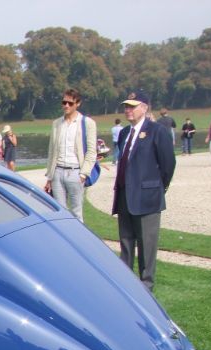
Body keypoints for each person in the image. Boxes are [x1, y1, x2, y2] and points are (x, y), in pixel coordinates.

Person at [111, 90, 176, 292]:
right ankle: (126, 287)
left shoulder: (157, 131)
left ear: (145, 108)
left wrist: (156, 189)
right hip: (124, 197)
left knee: (147, 247)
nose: (128, 110)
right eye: (126, 106)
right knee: (126, 243)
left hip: (147, 198)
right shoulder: (123, 133)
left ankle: (145, 288)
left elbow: (168, 165)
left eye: (132, 106)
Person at [44, 88, 97, 222]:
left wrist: (83, 174)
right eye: (64, 102)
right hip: (58, 171)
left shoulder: (87, 123)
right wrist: (50, 176)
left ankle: (79, 241)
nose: (66, 106)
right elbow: (52, 151)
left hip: (75, 172)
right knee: (60, 212)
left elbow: (91, 151)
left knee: (76, 212)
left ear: (77, 104)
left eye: (70, 103)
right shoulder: (56, 123)